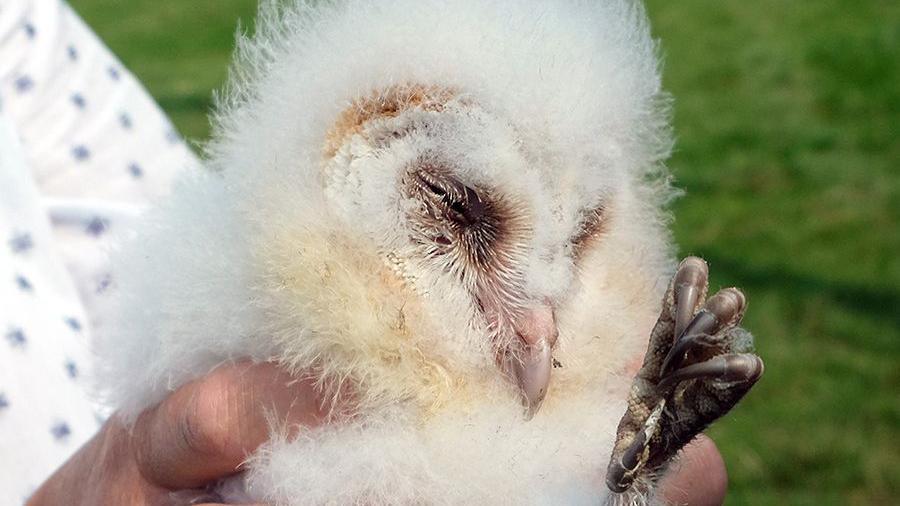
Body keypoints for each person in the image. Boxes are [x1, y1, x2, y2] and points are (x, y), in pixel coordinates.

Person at [0, 1, 728, 504]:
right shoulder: (240, 301)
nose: (541, 328)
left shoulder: (21, 34)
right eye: (454, 211)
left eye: (579, 232)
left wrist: (629, 472)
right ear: (342, 160)